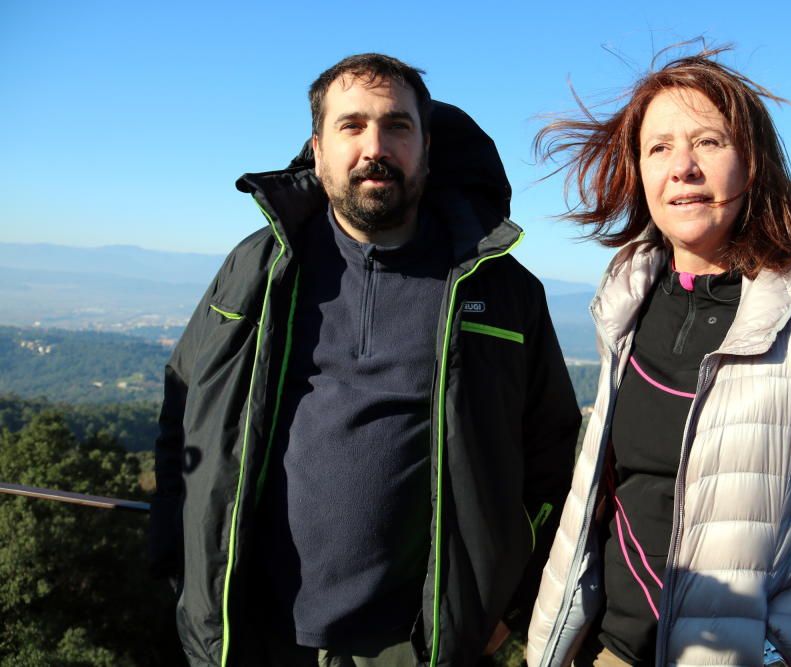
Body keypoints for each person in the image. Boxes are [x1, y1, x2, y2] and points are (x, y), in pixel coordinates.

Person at [149, 53, 581, 667]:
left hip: (415, 643)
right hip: (254, 632)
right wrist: (179, 563)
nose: (374, 146)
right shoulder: (258, 269)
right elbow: (184, 409)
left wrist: (505, 606)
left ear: (426, 148)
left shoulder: (500, 289)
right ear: (318, 149)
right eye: (351, 126)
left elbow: (551, 458)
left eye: (397, 126)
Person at [525, 47, 791, 667]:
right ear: (638, 171)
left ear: (754, 165)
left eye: (708, 142)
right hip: (601, 650)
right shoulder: (624, 306)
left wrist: (779, 646)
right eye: (658, 148)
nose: (681, 167)